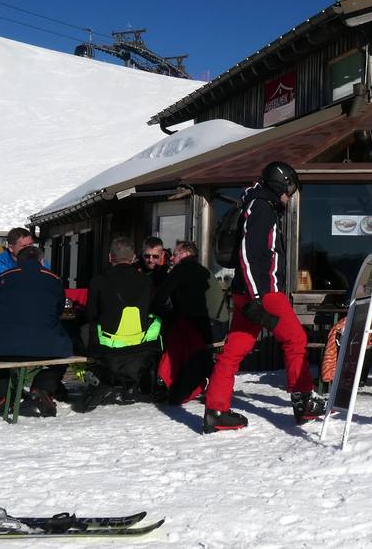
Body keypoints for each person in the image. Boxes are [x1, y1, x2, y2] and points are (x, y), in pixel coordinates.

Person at [203, 161, 323, 433]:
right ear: (280, 183)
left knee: (234, 349)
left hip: (247, 291)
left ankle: (216, 410)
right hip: (263, 291)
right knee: (295, 339)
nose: (290, 196)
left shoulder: (255, 204)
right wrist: (258, 297)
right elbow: (249, 253)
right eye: (289, 189)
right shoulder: (261, 208)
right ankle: (304, 400)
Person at [0, 246, 71, 417]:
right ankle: (43, 385)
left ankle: (2, 393)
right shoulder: (54, 279)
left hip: (5, 344)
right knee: (67, 351)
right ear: (41, 260)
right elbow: (59, 309)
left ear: (17, 260)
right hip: (48, 345)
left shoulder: (4, 277)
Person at [84, 237, 162, 410]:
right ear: (133, 257)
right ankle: (130, 382)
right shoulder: (146, 281)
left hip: (108, 346)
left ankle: (98, 378)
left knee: (84, 331)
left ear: (110, 257)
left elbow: (91, 314)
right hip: (140, 345)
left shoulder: (99, 280)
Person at [151, 241, 214, 404]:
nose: (172, 258)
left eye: (175, 254)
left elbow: (160, 298)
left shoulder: (180, 270)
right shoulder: (204, 271)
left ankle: (167, 385)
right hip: (208, 326)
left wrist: (163, 312)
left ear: (185, 254)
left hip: (187, 325)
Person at [0, 227, 36, 308]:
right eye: (24, 246)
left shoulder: (41, 263)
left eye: (31, 245)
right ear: (11, 248)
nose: (29, 249)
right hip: (5, 312)